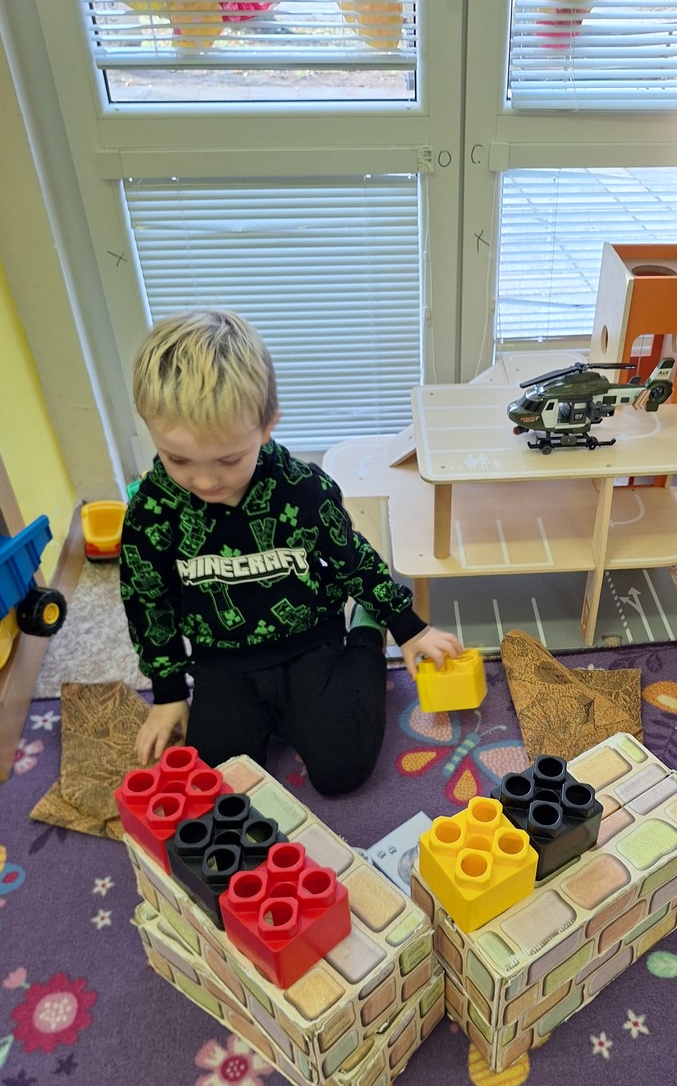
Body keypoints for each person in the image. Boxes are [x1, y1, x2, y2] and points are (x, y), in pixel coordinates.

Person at [120, 309, 462, 792]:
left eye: (228, 459)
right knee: (221, 785)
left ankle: (367, 626)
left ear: (267, 426)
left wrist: (408, 627)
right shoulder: (152, 510)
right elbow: (147, 601)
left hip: (310, 644)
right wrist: (169, 693)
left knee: (343, 770)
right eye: (178, 459)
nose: (205, 480)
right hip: (222, 662)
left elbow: (351, 560)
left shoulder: (302, 490)